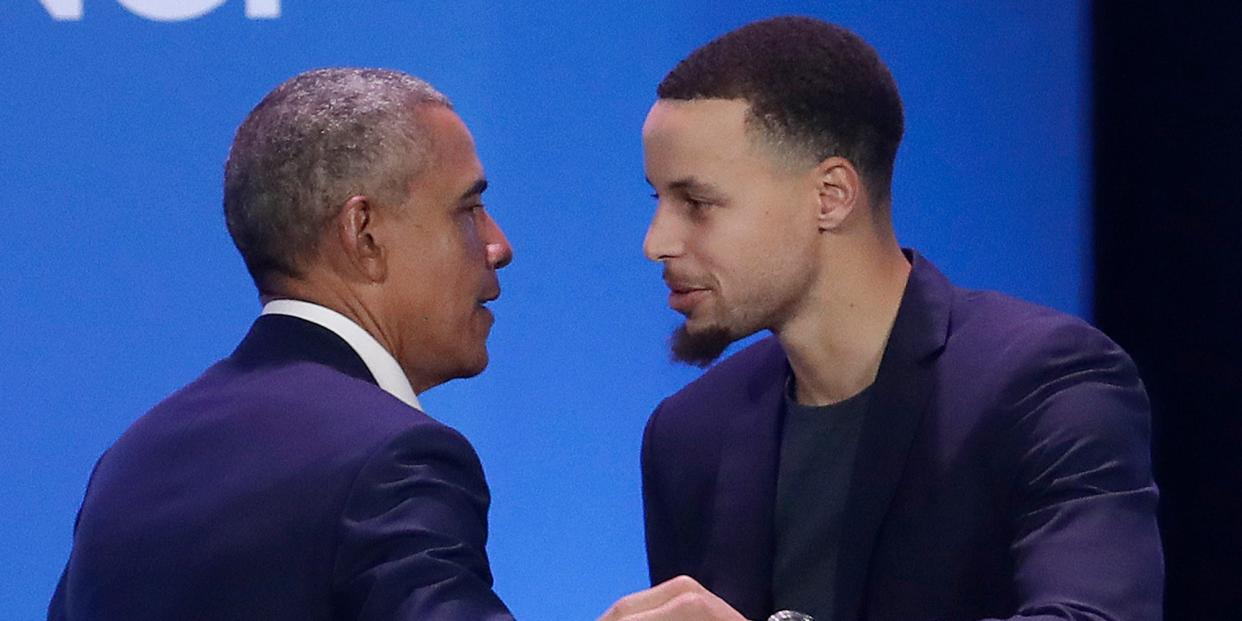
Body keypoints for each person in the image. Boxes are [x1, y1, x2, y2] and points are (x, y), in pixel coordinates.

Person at [602, 16, 1163, 621]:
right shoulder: (688, 434)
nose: (656, 241)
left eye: (697, 203)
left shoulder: (1046, 384)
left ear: (831, 196)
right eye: (657, 200)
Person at [49, 67, 515, 620]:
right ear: (363, 234)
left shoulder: (129, 462)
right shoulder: (393, 458)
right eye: (468, 209)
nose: (497, 244)